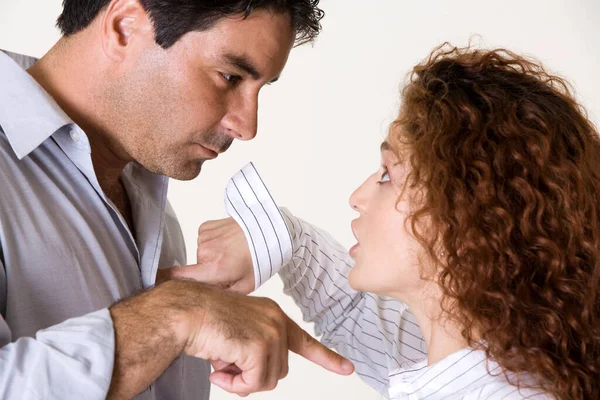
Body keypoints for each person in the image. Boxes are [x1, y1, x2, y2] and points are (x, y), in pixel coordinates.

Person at [184, 44, 600, 399]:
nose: (358, 198)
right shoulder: (480, 358)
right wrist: (273, 235)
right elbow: (349, 310)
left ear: (465, 211)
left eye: (387, 174)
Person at [0, 1, 356, 399]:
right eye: (230, 76)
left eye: (260, 88)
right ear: (124, 27)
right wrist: (176, 317)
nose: (246, 125)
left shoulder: (150, 200)